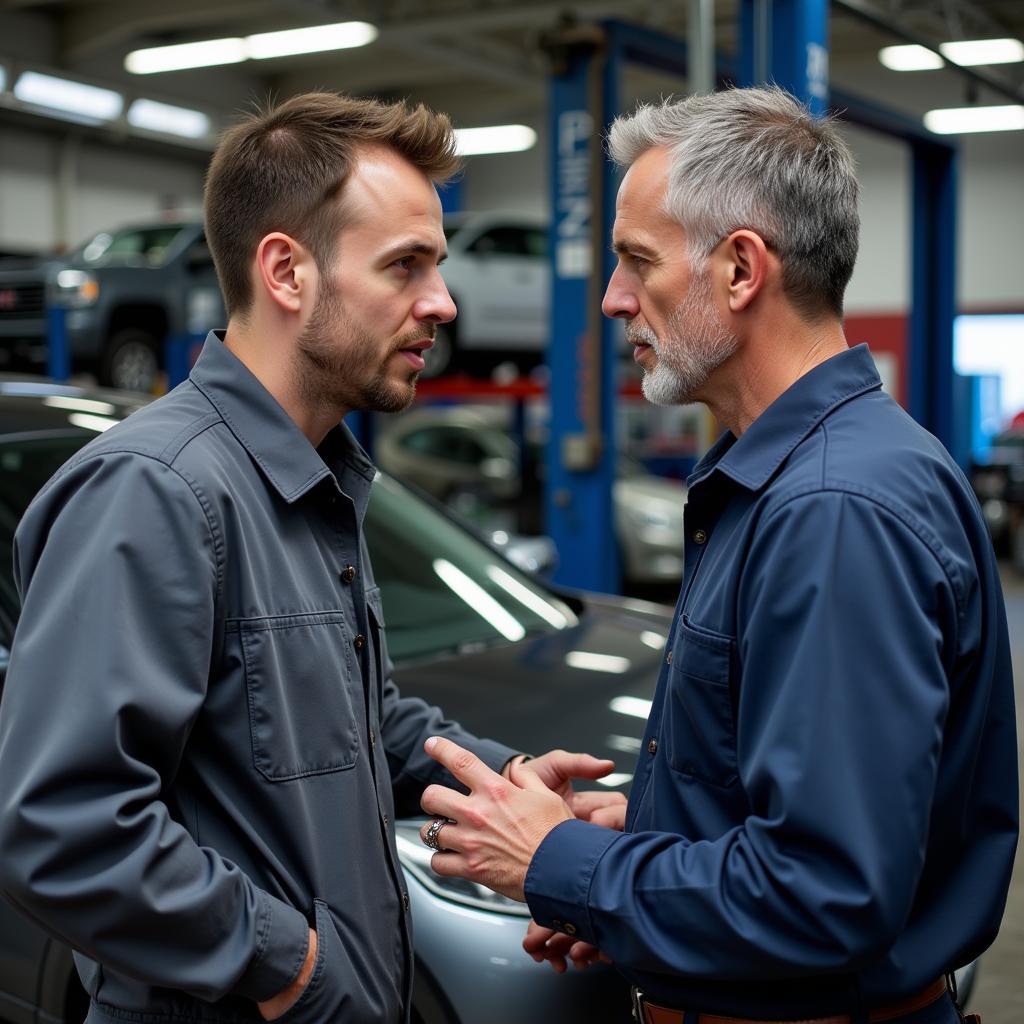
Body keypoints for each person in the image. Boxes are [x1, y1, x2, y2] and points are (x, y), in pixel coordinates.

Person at [0, 92, 624, 1024]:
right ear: (287, 272)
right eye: (404, 266)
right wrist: (289, 966)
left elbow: (348, 717)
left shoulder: (310, 480)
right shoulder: (158, 491)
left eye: (439, 266)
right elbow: (65, 826)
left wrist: (507, 782)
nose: (441, 303)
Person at [415, 87, 1018, 1024]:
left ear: (741, 269)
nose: (614, 298)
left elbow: (825, 897)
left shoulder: (834, 512)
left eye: (636, 261)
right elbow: (784, 802)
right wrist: (652, 845)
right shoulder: (780, 479)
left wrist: (563, 865)